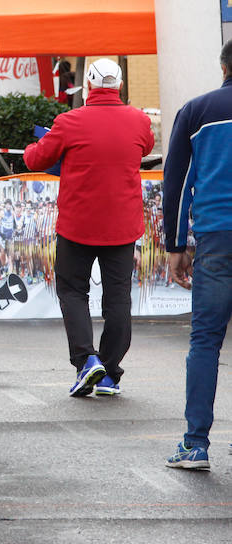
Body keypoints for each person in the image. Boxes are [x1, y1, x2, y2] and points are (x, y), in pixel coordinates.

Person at [24, 58, 154, 398]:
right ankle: (110, 372)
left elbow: (36, 159)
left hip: (78, 225)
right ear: (120, 86)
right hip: (122, 226)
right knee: (118, 299)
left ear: (90, 88)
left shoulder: (69, 122)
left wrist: (31, 147)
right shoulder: (139, 120)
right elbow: (147, 146)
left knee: (72, 291)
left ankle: (86, 359)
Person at [162, 39, 232, 470]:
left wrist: (175, 245)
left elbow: (177, 183)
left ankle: (195, 444)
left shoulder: (197, 110)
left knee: (205, 340)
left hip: (215, 237)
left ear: (223, 65)